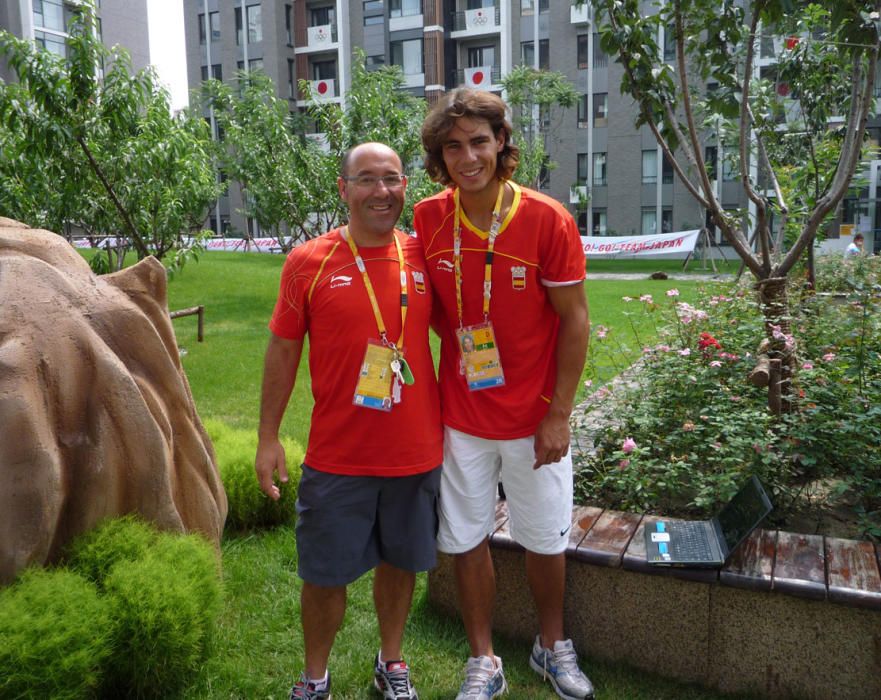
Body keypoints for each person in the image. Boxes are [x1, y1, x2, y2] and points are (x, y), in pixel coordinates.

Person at [414, 89, 593, 700]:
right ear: (440, 156)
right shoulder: (427, 218)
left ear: (501, 144)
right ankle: (484, 660)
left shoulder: (548, 219)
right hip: (462, 416)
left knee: (545, 539)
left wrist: (559, 415)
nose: (468, 156)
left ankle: (550, 645)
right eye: (453, 145)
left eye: (480, 141)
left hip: (534, 418)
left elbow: (576, 322)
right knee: (464, 539)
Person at [255, 142, 443, 700]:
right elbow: (283, 351)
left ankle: (392, 662)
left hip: (415, 452)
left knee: (402, 562)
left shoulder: (423, 256)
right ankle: (315, 677)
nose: (381, 192)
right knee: (323, 575)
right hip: (337, 456)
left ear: (405, 185)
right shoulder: (308, 262)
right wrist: (268, 438)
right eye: (366, 180)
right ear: (343, 189)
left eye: (392, 179)